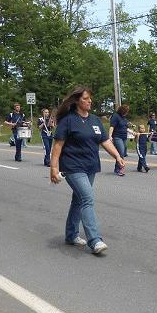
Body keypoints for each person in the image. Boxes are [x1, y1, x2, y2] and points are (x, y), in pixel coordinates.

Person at [50, 86, 125, 254]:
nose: (90, 101)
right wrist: (53, 168)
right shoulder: (68, 120)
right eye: (86, 98)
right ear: (77, 101)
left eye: (90, 98)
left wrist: (117, 156)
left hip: (90, 166)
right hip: (72, 166)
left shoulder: (95, 120)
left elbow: (105, 141)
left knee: (78, 200)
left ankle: (70, 235)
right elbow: (58, 145)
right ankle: (95, 240)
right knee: (87, 198)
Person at [109, 104, 130, 176]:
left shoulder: (124, 118)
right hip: (117, 137)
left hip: (124, 137)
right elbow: (112, 126)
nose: (127, 113)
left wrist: (133, 132)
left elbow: (126, 128)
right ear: (122, 110)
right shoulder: (115, 116)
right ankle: (121, 169)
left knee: (121, 153)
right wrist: (110, 136)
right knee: (121, 152)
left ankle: (116, 168)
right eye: (126, 111)